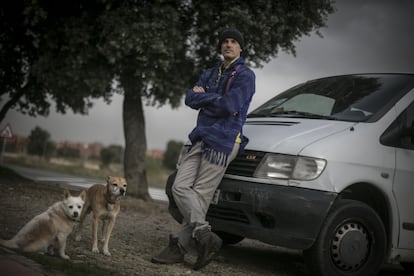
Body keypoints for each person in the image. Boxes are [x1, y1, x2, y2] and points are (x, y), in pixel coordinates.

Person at [151, 28, 255, 270]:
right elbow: (189, 98)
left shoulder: (246, 76)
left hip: (225, 140)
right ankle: (205, 235)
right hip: (201, 137)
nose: (228, 45)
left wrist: (206, 96)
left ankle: (179, 248)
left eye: (233, 42)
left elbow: (231, 105)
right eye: (225, 42)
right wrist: (212, 98)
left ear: (240, 48)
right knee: (180, 185)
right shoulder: (209, 73)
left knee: (201, 195)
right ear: (221, 47)